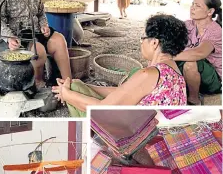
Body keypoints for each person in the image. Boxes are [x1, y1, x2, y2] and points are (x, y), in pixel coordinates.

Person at [52, 15, 189, 116]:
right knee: (76, 86)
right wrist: (84, 85)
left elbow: (102, 109)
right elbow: (122, 92)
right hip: (150, 128)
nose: (141, 42)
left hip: (135, 136)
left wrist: (67, 94)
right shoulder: (175, 72)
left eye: (143, 38)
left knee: (74, 92)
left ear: (154, 43)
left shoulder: (149, 75)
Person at [174, 0, 222, 105]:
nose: (192, 8)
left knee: (191, 62)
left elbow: (199, 53)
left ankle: (194, 100)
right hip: (192, 75)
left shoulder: (215, 30)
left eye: (198, 6)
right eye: (192, 4)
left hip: (212, 80)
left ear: (210, 11)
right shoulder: (188, 25)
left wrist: (169, 56)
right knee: (162, 58)